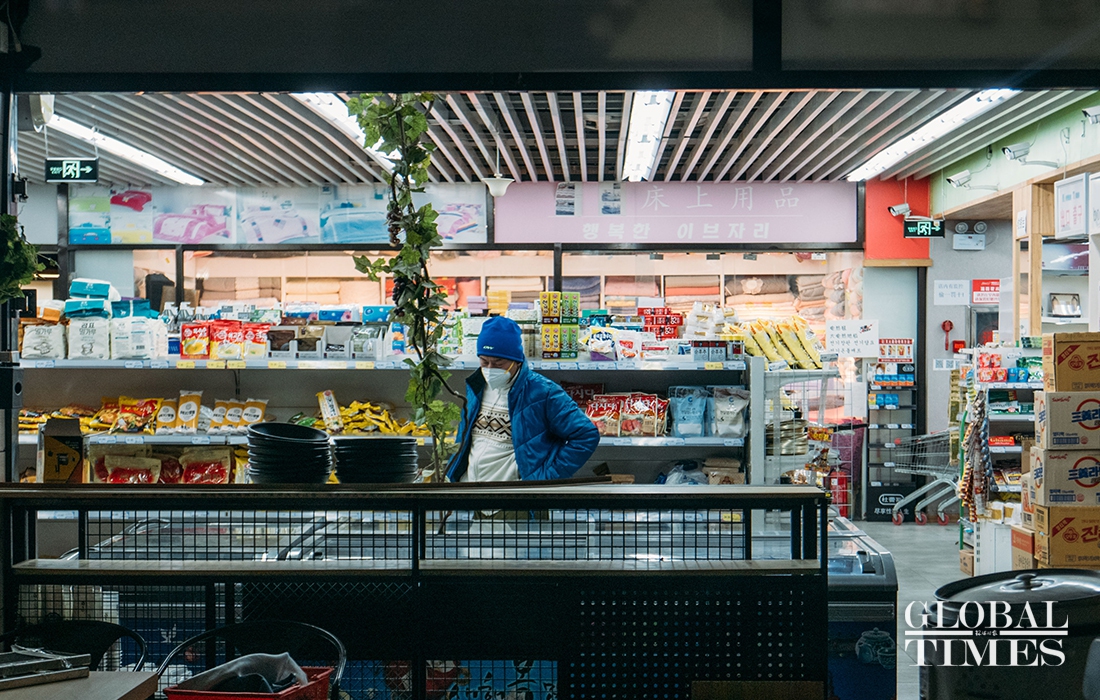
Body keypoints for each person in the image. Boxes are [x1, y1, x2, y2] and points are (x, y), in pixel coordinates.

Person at [446, 316, 599, 482]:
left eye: (498, 364)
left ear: (517, 361)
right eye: (484, 362)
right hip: (470, 488)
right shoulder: (476, 388)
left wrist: (546, 478)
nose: (490, 369)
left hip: (515, 493)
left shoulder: (543, 392)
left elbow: (586, 434)